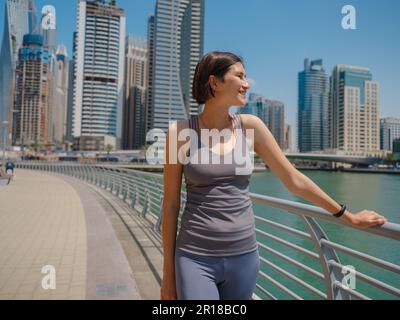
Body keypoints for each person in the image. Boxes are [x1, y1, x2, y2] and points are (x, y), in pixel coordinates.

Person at [161, 51, 387, 300]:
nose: (247, 83)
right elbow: (171, 204)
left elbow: (294, 179)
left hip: (244, 257)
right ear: (215, 82)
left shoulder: (250, 127)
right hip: (195, 257)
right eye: (239, 76)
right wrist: (168, 275)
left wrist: (349, 217)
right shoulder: (180, 132)